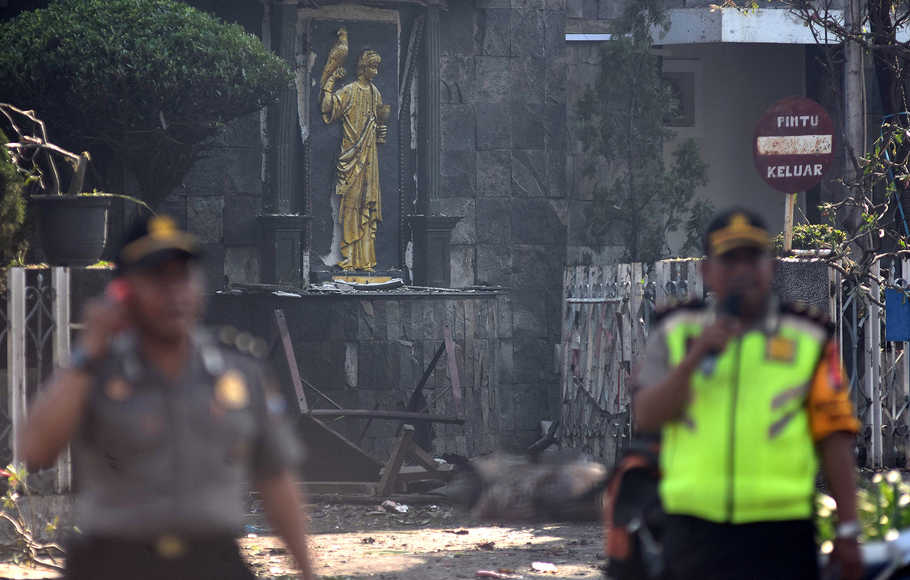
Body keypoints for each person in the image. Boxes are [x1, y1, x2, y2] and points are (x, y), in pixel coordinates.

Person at [20, 215, 316, 580]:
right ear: (124, 291)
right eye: (157, 278)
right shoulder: (95, 374)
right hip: (113, 563)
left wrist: (307, 571)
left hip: (213, 563)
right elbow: (35, 451)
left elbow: (276, 479)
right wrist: (88, 352)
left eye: (183, 276)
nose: (174, 292)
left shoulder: (241, 372)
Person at [633, 208, 862, 580]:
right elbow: (647, 416)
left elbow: (833, 436)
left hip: (781, 535)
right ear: (708, 271)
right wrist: (694, 359)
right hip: (693, 534)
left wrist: (849, 529)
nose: (742, 270)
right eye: (729, 259)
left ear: (769, 267)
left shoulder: (808, 338)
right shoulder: (675, 333)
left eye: (752, 257)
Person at [321, 48, 387, 272]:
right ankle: (349, 255)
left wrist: (380, 131)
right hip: (351, 156)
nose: (375, 72)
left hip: (370, 158)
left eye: (377, 67)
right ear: (362, 67)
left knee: (367, 204)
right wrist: (330, 81)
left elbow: (378, 122)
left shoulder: (376, 93)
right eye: (372, 67)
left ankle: (365, 259)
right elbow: (328, 107)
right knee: (350, 205)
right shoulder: (349, 91)